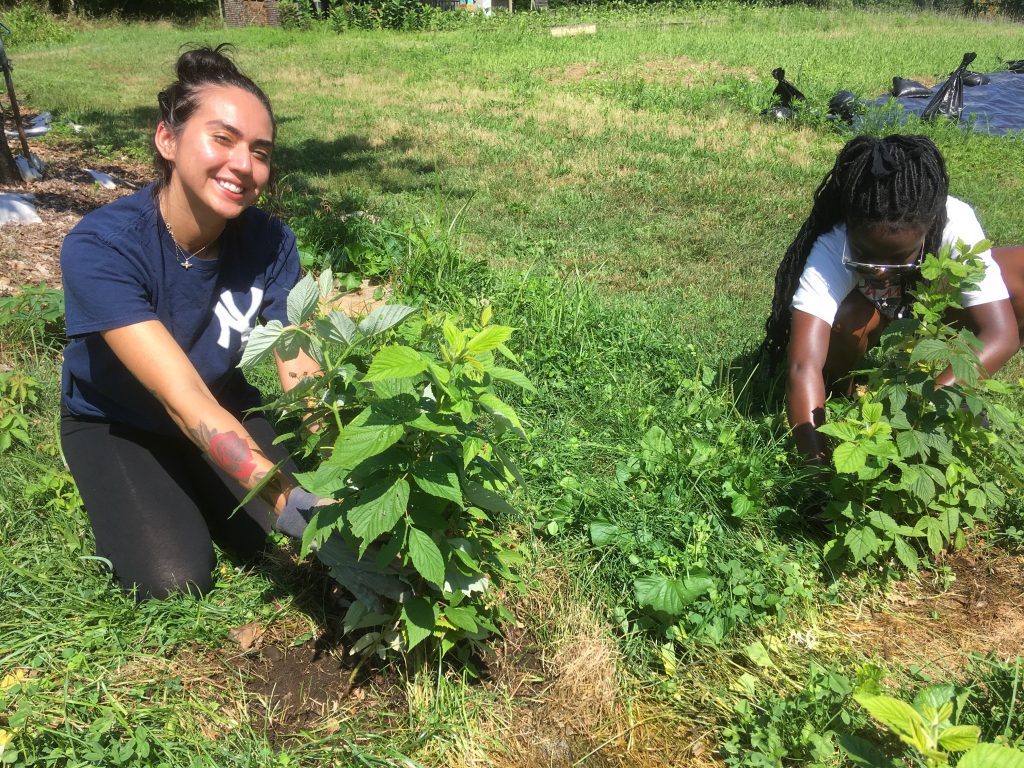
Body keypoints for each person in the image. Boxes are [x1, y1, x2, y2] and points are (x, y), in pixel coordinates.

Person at [60, 45, 324, 600]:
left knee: (275, 538)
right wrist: (286, 500)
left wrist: (339, 461)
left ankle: (207, 484)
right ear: (168, 140)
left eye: (260, 151)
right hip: (121, 421)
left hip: (221, 399)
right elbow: (181, 399)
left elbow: (298, 367)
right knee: (174, 579)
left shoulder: (272, 242)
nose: (243, 165)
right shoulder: (103, 247)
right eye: (221, 138)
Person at [761, 134, 1024, 463]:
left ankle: (952, 387)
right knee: (844, 323)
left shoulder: (955, 222)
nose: (882, 273)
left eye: (899, 260)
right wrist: (814, 463)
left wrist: (925, 407)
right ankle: (842, 392)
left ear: (927, 231)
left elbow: (1001, 334)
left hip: (932, 307)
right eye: (865, 260)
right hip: (870, 315)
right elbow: (802, 365)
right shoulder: (834, 242)